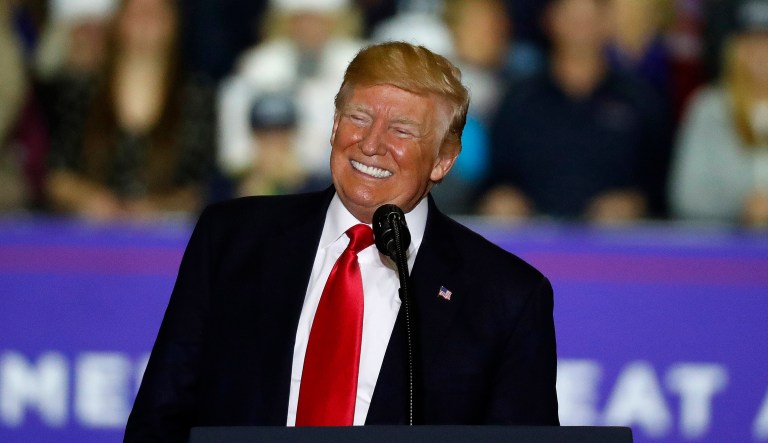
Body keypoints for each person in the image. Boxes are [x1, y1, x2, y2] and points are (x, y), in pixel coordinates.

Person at [125, 41, 558, 442]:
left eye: (402, 131)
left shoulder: (506, 297)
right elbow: (161, 415)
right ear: (334, 125)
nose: (371, 144)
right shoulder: (232, 238)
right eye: (359, 118)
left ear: (443, 159)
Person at [480, 0, 671, 221]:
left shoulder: (641, 100)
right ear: (549, 19)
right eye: (571, 14)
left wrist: (638, 204)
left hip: (620, 248)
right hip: (530, 244)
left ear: (609, 20)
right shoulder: (518, 99)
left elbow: (663, 185)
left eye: (590, 15)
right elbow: (493, 179)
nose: (581, 24)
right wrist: (501, 198)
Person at [46, 0, 215, 221]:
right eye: (136, 13)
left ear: (174, 23)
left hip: (171, 241)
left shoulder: (196, 97)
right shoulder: (81, 92)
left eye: (155, 14)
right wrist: (88, 199)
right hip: (89, 236)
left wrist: (158, 209)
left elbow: (203, 186)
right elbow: (57, 176)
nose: (145, 23)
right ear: (117, 21)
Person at [669, 0, 768, 227]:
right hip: (726, 250)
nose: (762, 53)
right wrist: (744, 206)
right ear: (735, 50)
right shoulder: (709, 108)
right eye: (753, 43)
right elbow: (687, 196)